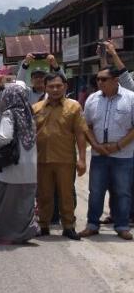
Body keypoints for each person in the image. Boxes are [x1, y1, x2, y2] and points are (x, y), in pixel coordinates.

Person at [78, 67, 134, 241]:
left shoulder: (130, 98)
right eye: (98, 79)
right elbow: (87, 126)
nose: (99, 82)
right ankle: (92, 224)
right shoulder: (92, 100)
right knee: (95, 190)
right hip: (99, 155)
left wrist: (118, 145)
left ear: (115, 80)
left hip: (123, 155)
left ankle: (122, 225)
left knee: (123, 191)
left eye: (103, 79)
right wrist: (96, 144)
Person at [0, 83, 39, 244]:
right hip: (31, 166)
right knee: (25, 202)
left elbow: (5, 137)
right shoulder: (30, 113)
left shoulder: (9, 114)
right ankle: (25, 231)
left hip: (13, 165)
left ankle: (2, 232)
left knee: (5, 202)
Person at [33, 72, 88, 240]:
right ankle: (43, 226)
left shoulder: (74, 107)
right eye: (51, 86)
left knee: (66, 195)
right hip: (42, 160)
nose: (55, 89)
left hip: (65, 160)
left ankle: (69, 226)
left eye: (58, 86)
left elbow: (80, 134)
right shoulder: (36, 108)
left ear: (65, 86)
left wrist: (82, 159)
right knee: (44, 195)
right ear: (45, 87)